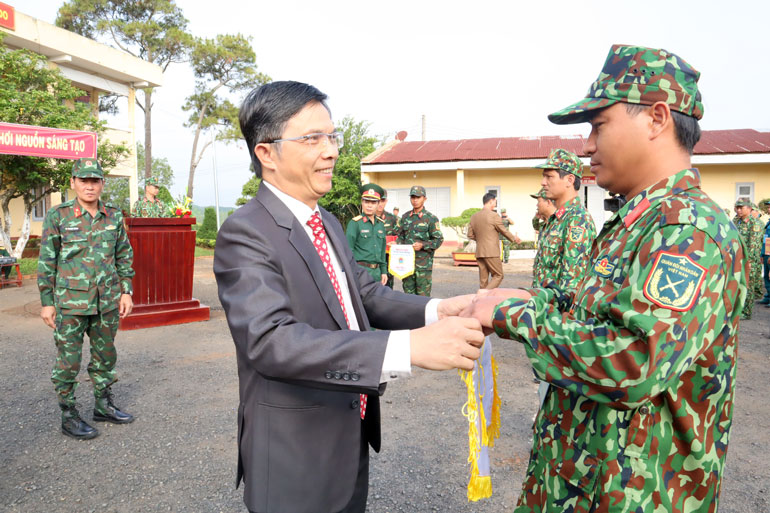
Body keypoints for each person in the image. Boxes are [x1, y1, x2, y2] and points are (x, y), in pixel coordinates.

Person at [465, 44, 746, 512]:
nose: (588, 146)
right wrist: (532, 298)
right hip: (579, 479)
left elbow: (636, 361)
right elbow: (594, 309)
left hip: (633, 494)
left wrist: (515, 316)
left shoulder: (688, 230)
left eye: (598, 126)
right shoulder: (641, 220)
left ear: (657, 118)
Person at [214, 81, 484, 513]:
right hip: (295, 452)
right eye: (311, 138)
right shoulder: (246, 232)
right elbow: (270, 341)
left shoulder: (327, 221)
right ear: (266, 153)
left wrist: (437, 309)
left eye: (332, 136)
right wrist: (407, 348)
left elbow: (363, 294)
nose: (331, 150)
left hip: (349, 429)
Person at [38, 158, 136, 440]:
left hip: (106, 301)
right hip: (70, 303)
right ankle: (68, 414)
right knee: (68, 362)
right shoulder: (59, 216)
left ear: (102, 184)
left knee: (105, 355)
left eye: (95, 181)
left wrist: (126, 290)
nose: (89, 186)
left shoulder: (114, 216)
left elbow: (123, 255)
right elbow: (47, 261)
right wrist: (47, 301)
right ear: (73, 183)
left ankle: (103, 405)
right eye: (84, 180)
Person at [532, 148, 596, 292]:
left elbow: (572, 288)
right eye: (543, 177)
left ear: (569, 180)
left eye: (549, 177)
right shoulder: (556, 219)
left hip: (555, 311)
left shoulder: (577, 220)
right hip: (542, 306)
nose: (543, 182)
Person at [397, 186, 444, 296]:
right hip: (406, 265)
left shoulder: (431, 218)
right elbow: (400, 236)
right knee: (408, 296)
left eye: (418, 197)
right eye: (413, 197)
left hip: (423, 266)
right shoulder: (405, 217)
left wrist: (422, 245)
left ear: (424, 199)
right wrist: (396, 244)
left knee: (423, 298)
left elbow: (438, 240)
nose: (415, 200)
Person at [467, 192, 520, 289]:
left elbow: (470, 235)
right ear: (491, 202)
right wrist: (514, 238)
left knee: (483, 280)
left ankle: (482, 301)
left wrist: (481, 239)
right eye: (495, 202)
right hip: (491, 251)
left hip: (480, 252)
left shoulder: (474, 216)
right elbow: (503, 230)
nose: (495, 204)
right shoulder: (494, 215)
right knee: (498, 275)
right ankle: (484, 294)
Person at [346, 184, 388, 285]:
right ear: (362, 202)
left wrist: (384, 271)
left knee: (377, 300)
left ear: (378, 204)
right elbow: (348, 251)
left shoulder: (380, 224)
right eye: (366, 202)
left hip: (377, 273)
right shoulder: (355, 223)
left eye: (373, 202)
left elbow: (382, 251)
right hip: (361, 272)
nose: (369, 205)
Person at [734, 197, 762, 319]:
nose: (738, 210)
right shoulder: (736, 221)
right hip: (736, 258)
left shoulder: (754, 223)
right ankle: (737, 309)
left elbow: (753, 245)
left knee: (748, 286)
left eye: (741, 208)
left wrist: (748, 261)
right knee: (736, 284)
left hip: (748, 260)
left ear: (749, 208)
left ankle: (746, 312)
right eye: (737, 207)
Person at [376, 189, 399, 288]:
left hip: (388, 258)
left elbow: (399, 235)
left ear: (386, 201)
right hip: (372, 259)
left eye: (383, 201)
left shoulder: (392, 218)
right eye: (378, 200)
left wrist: (396, 242)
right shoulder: (366, 218)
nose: (380, 204)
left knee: (388, 287)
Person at [759, 199, 770, 305]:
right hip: (767, 252)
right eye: (768, 207)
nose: (768, 209)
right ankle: (768, 295)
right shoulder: (768, 222)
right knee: (766, 275)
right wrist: (763, 253)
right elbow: (766, 240)